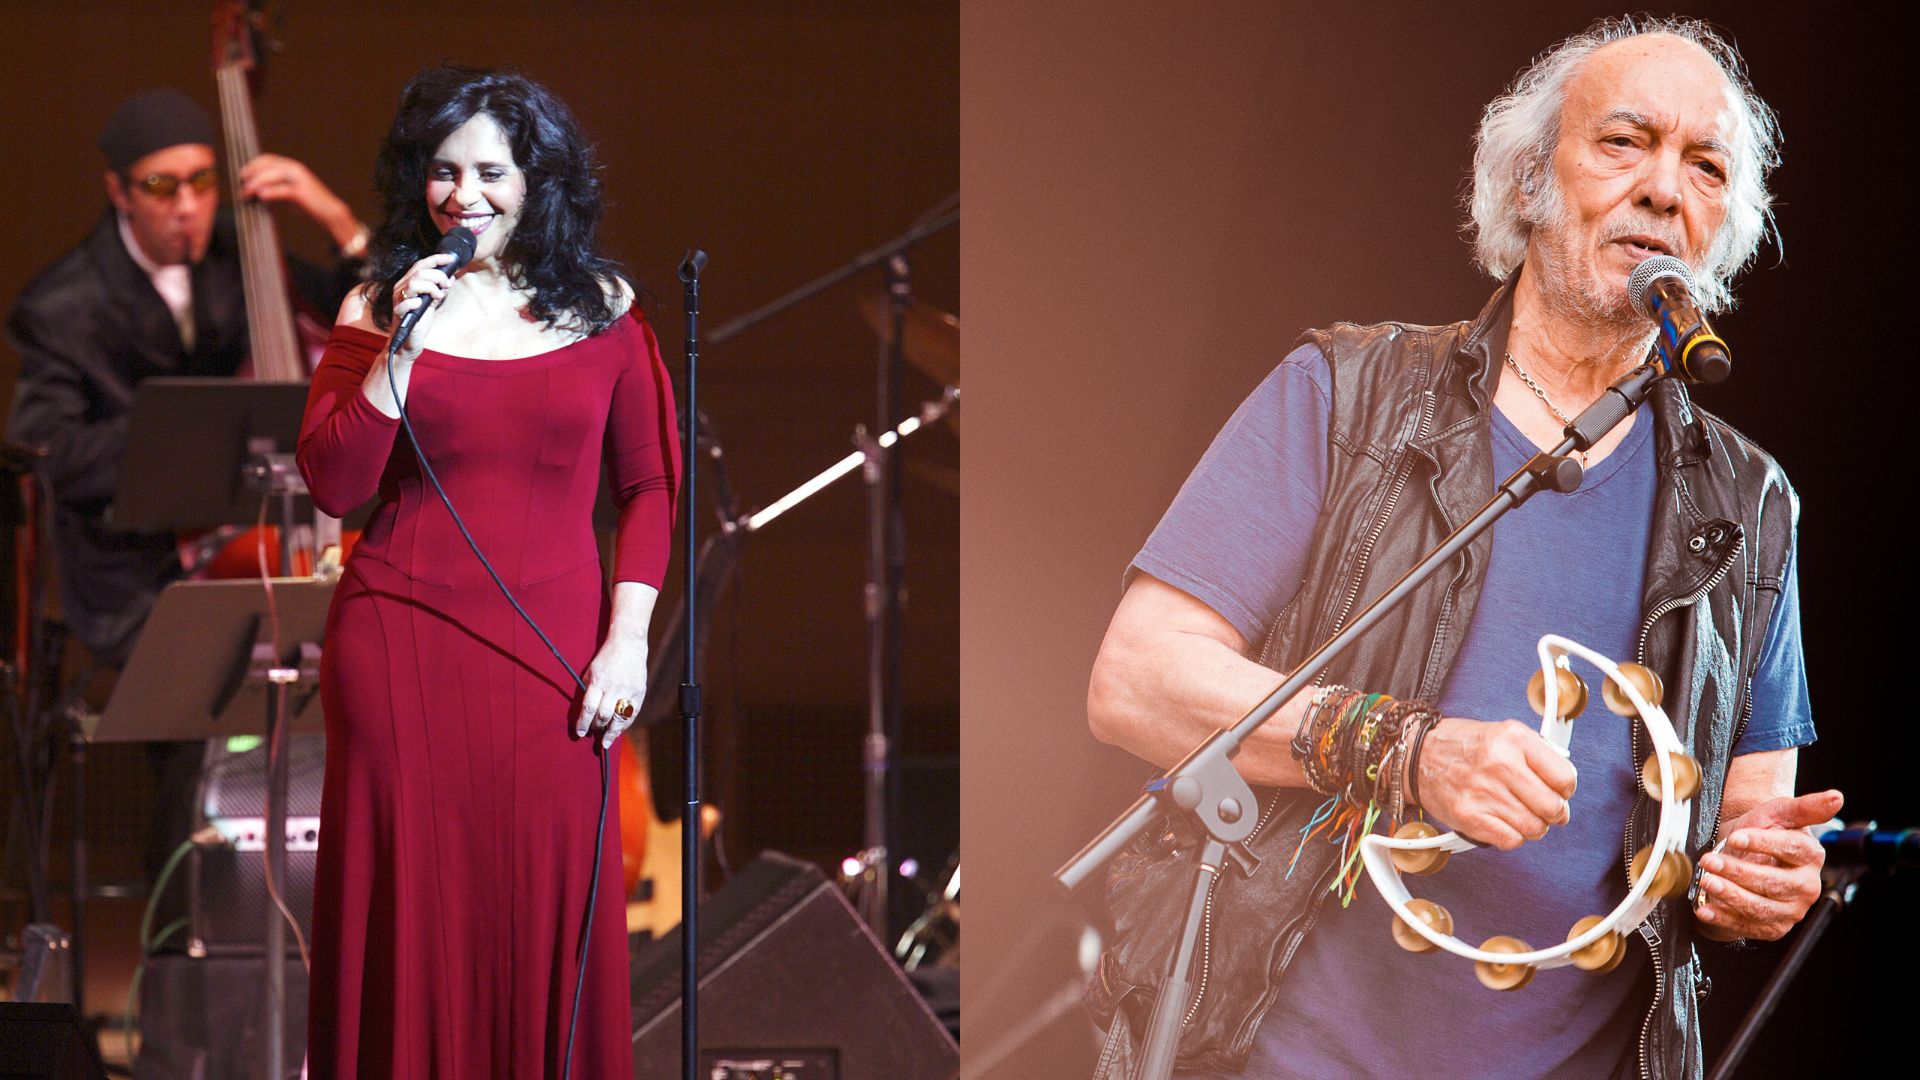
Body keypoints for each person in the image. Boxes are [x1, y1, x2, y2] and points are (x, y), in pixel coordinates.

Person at [1084, 18, 1838, 1080]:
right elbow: (1137, 680)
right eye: (1624, 143)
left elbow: (1754, 805)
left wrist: (1759, 878)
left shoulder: (1751, 503)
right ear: (1530, 181)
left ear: (1720, 230)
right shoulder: (1347, 397)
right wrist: (1409, 751)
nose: (1665, 189)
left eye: (1704, 166)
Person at [296, 66, 679, 1078]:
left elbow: (650, 489)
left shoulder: (608, 313)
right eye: (442, 173)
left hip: (555, 657)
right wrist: (402, 346)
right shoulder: (379, 304)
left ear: (538, 181)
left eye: (488, 173)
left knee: (543, 909)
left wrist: (628, 643)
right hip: (398, 645)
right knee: (408, 917)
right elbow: (335, 482)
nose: (462, 197)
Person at [5, 87, 368, 880]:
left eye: (204, 182)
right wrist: (178, 438)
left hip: (255, 550)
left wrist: (335, 217)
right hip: (132, 566)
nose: (189, 208)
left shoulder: (243, 264)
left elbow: (364, 319)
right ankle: (186, 931)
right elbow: (50, 451)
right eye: (163, 187)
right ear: (119, 193)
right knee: (210, 689)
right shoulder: (60, 305)